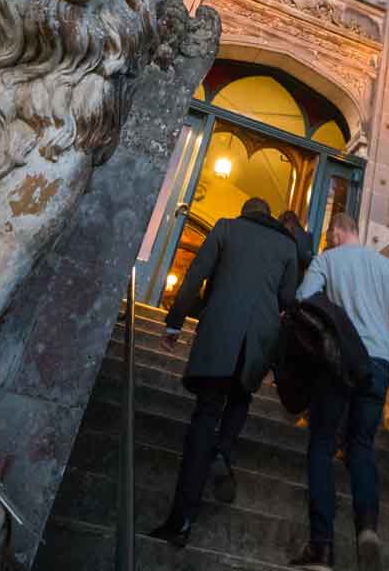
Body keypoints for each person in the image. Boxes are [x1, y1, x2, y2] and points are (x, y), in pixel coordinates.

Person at [147, 197, 299, 547]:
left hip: (220, 334)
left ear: (245, 213)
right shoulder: (287, 246)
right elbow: (287, 301)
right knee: (241, 396)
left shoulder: (227, 228)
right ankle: (223, 450)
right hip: (258, 341)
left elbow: (196, 274)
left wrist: (174, 322)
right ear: (269, 216)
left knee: (205, 416)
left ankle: (181, 519)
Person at [288, 213, 389, 571]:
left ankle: (321, 547)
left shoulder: (327, 260)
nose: (329, 242)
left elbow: (303, 300)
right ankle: (368, 530)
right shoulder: (386, 268)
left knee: (323, 444)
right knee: (361, 446)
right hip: (375, 364)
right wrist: (387, 354)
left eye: (330, 236)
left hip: (338, 360)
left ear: (337, 232)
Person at [279, 209, 317, 280]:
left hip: (292, 278)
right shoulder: (305, 236)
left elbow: (307, 260)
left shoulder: (299, 236)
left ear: (290, 222)